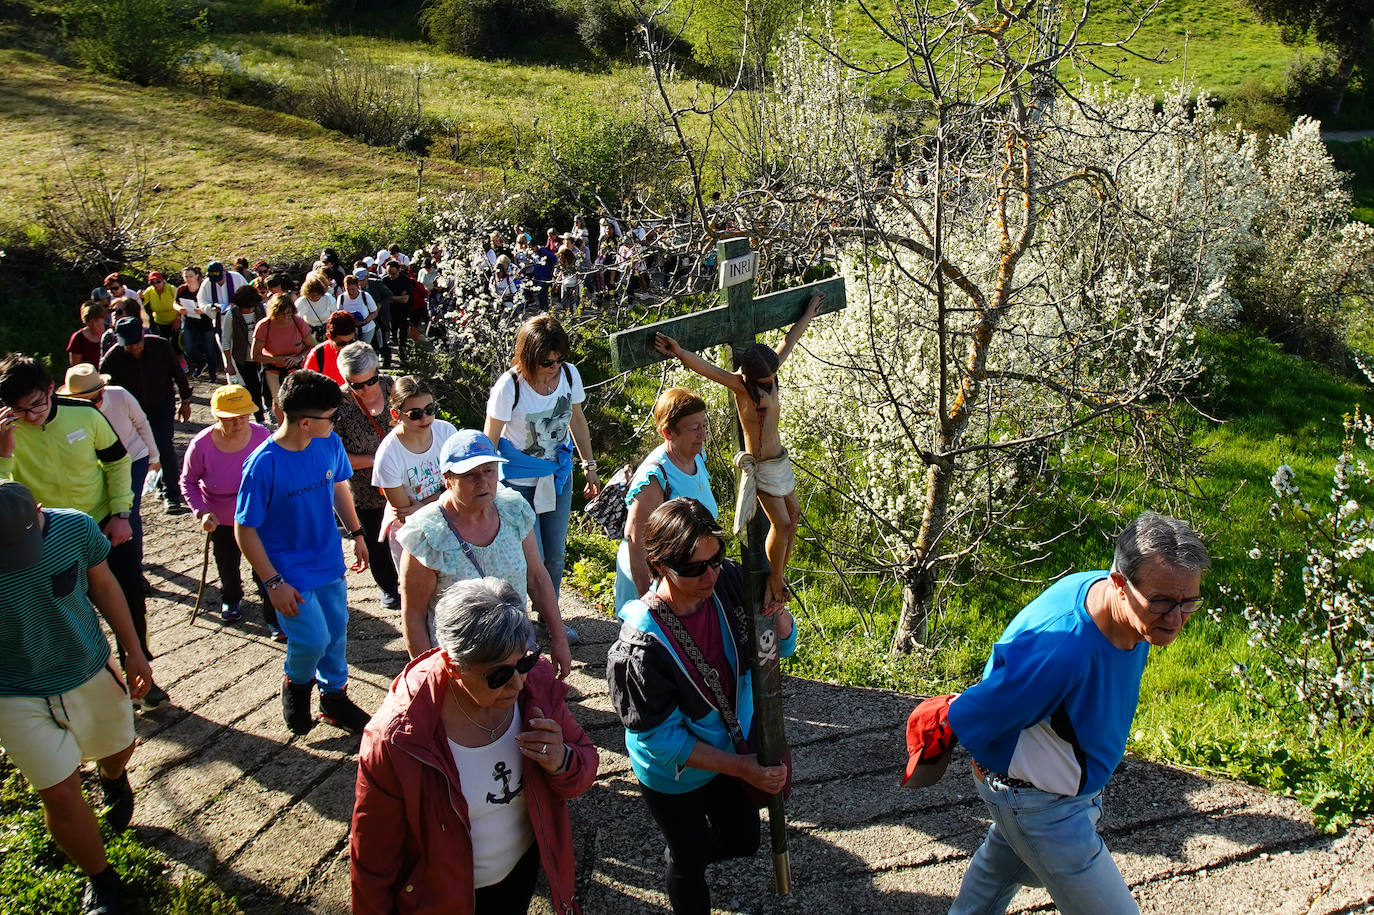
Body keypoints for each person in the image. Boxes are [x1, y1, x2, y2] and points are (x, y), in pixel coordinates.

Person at [928, 512, 1210, 915]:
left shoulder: (1126, 603)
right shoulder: (1063, 651)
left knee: (998, 876)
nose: (1175, 618)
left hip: (1054, 794)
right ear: (1119, 585)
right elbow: (977, 712)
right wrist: (1008, 786)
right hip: (1041, 805)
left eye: (1188, 602)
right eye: (1162, 602)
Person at [351, 576, 597, 912]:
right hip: (445, 898)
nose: (517, 684)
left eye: (523, 662)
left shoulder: (536, 684)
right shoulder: (398, 738)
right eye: (497, 676)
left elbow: (584, 767)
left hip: (520, 874)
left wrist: (562, 761)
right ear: (454, 666)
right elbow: (373, 858)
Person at [606, 497, 795, 915]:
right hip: (675, 774)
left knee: (744, 840)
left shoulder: (727, 580)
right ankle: (682, 864)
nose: (710, 574)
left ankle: (686, 855)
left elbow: (779, 647)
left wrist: (779, 620)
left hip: (729, 747)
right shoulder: (639, 645)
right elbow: (660, 741)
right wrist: (744, 768)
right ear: (659, 564)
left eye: (715, 558)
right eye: (693, 568)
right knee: (689, 860)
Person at [0, 481, 154, 915]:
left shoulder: (75, 528)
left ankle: (112, 777)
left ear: (41, 512)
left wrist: (134, 650)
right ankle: (101, 878)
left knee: (119, 747)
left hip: (87, 669)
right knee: (60, 794)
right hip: (14, 693)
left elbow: (104, 587)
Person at [0, 354, 170, 711]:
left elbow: (117, 461)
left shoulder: (86, 414)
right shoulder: (6, 431)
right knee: (63, 610)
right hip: (42, 537)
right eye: (19, 410)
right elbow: (5, 492)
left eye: (36, 405)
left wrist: (122, 512)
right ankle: (80, 688)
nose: (31, 417)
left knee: (129, 599)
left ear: (51, 389)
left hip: (104, 525)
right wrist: (4, 452)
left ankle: (141, 671)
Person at [654, 292, 822, 609]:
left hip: (780, 459)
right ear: (749, 375)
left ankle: (779, 574)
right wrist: (679, 352)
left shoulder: (768, 373)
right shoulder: (741, 386)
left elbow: (789, 341)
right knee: (782, 523)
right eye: (765, 379)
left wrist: (809, 312)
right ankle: (774, 583)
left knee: (794, 516)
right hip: (761, 465)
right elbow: (705, 368)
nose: (771, 381)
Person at [235, 369, 372, 735]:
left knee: (337, 632)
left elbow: (339, 487)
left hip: (329, 562)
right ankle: (296, 687)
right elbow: (244, 530)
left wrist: (357, 533)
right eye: (333, 416)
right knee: (312, 639)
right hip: (287, 574)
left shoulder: (329, 444)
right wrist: (272, 582)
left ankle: (334, 699)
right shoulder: (263, 465)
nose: (337, 422)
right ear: (306, 422)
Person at [396, 430, 573, 677]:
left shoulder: (513, 510)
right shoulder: (427, 535)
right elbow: (414, 615)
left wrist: (559, 638)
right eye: (470, 475)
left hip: (517, 654)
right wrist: (427, 677)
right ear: (447, 479)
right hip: (460, 667)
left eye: (489, 471)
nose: (483, 482)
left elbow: (537, 578)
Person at [483, 314, 600, 633]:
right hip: (518, 481)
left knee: (555, 554)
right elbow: (489, 439)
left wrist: (589, 465)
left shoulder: (569, 376)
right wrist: (487, 485)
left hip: (558, 474)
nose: (555, 367)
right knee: (525, 558)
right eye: (548, 361)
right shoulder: (510, 386)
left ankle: (550, 617)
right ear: (529, 357)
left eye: (560, 359)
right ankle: (516, 622)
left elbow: (577, 422)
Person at [614, 387, 717, 614]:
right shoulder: (654, 476)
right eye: (694, 428)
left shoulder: (697, 457)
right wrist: (648, 601)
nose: (703, 434)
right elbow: (635, 537)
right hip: (656, 584)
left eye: (703, 425)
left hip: (687, 580)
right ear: (669, 433)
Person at [180, 385, 275, 631]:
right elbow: (188, 481)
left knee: (264, 564)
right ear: (217, 417)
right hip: (220, 516)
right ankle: (231, 598)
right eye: (231, 418)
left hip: (258, 513)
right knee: (227, 562)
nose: (239, 423)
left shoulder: (261, 435)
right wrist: (201, 511)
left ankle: (273, 614)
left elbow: (276, 468)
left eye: (244, 416)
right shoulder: (201, 445)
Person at [59, 364, 159, 574]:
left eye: (94, 400)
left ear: (103, 390)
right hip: (98, 465)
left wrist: (154, 456)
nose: (89, 406)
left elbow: (142, 423)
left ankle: (134, 566)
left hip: (133, 458)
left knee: (127, 512)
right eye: (81, 401)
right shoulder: (66, 413)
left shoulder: (120, 396)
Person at [100, 317, 192, 517]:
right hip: (131, 409)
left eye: (136, 343)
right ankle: (158, 483)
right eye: (128, 345)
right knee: (144, 449)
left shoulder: (160, 346)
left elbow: (178, 373)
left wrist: (185, 401)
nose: (133, 348)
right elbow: (101, 389)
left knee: (163, 445)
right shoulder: (112, 358)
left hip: (161, 402)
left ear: (143, 335)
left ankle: (171, 495)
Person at [334, 342, 400, 610]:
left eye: (371, 380)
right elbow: (335, 455)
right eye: (357, 385)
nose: (366, 389)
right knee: (376, 540)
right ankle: (388, 587)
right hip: (366, 489)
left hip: (403, 483)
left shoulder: (395, 388)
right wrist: (377, 461)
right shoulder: (340, 405)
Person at [373, 376, 458, 573]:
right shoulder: (388, 454)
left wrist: (423, 504)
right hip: (410, 531)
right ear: (396, 414)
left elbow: (461, 486)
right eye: (415, 414)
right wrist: (443, 496)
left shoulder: (446, 432)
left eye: (430, 410)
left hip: (449, 520)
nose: (425, 418)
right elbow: (403, 511)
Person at [252, 293, 316, 426]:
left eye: (289, 312)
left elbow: (311, 346)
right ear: (274, 312)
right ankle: (282, 428)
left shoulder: (298, 323)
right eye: (282, 313)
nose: (287, 317)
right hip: (272, 367)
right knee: (279, 401)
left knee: (297, 400)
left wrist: (298, 357)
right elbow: (255, 355)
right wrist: (276, 359)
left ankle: (298, 427)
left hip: (295, 365)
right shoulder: (264, 326)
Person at [220, 284, 269, 423]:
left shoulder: (262, 310)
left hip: (264, 355)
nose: (249, 309)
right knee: (253, 388)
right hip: (243, 358)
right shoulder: (232, 316)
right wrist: (229, 364)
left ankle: (269, 408)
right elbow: (226, 340)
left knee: (266, 386)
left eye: (251, 306)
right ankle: (260, 419)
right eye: (246, 307)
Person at [304, 311, 357, 384]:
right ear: (329, 337)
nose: (347, 347)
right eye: (341, 343)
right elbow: (306, 384)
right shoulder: (317, 355)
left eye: (351, 341)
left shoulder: (359, 350)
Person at [141, 271, 180, 354]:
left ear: (163, 281)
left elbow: (181, 303)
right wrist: (139, 297)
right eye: (152, 283)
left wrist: (178, 318)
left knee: (176, 344)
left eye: (158, 281)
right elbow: (141, 303)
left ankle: (182, 362)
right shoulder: (150, 291)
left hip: (175, 321)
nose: (155, 285)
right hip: (160, 322)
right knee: (164, 344)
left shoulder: (171, 289)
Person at [337, 272, 379, 347]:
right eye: (348, 289)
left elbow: (374, 312)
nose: (351, 292)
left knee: (364, 349)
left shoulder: (365, 296)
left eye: (353, 289)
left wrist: (364, 321)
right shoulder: (341, 298)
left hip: (366, 328)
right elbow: (339, 314)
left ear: (357, 286)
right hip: (350, 330)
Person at [295, 274, 336, 340]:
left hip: (327, 333)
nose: (313, 298)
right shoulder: (302, 301)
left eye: (316, 295)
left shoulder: (328, 298)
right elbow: (297, 319)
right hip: (310, 334)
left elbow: (334, 316)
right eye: (311, 296)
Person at [67, 301, 108, 367]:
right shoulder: (78, 338)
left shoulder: (112, 332)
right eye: (90, 322)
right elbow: (76, 366)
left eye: (97, 321)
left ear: (103, 319)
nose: (94, 325)